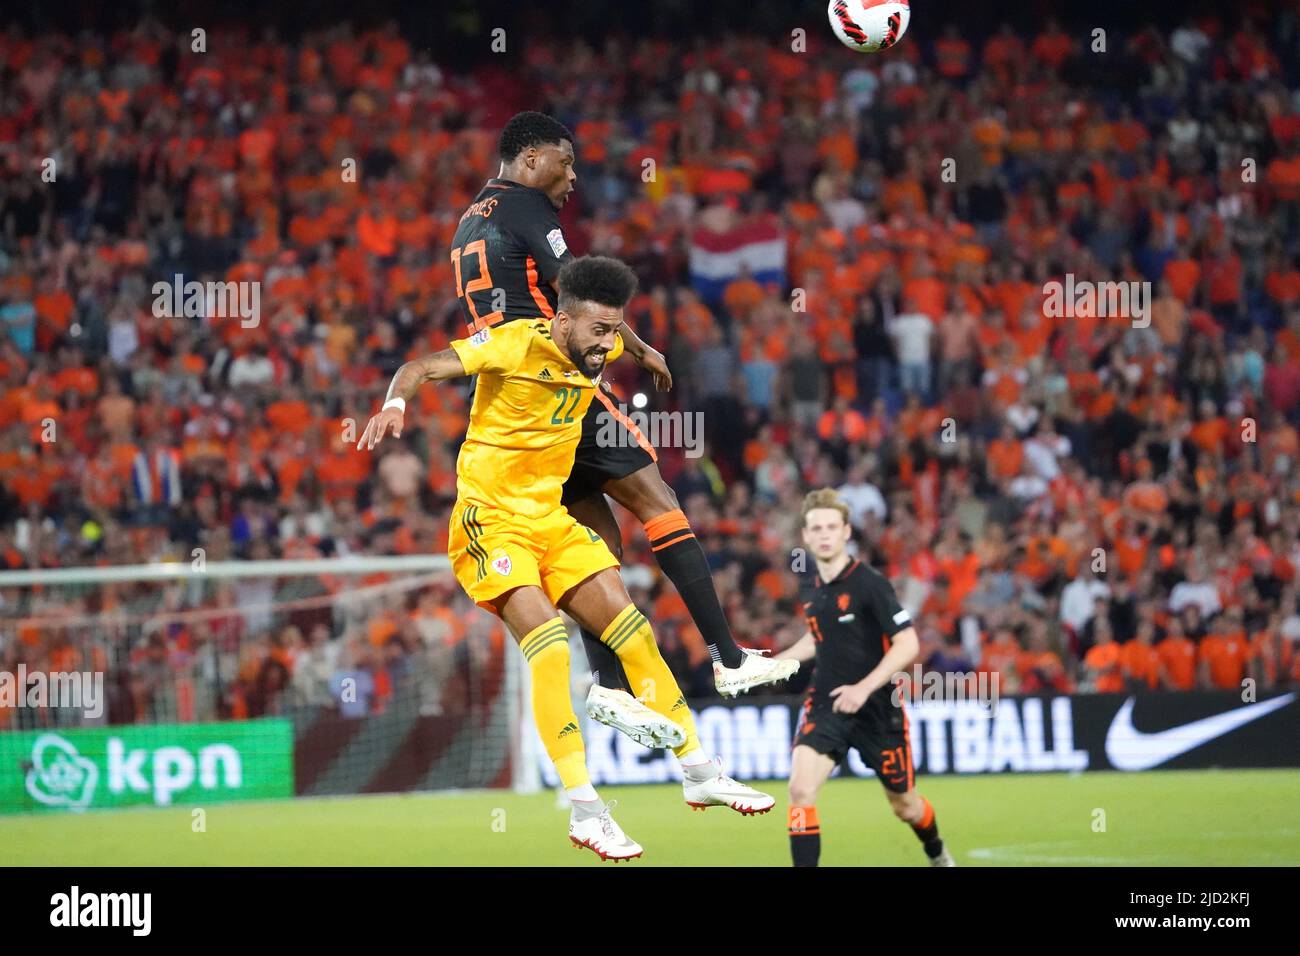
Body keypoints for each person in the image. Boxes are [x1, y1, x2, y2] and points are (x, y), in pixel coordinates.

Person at [357, 256, 774, 861]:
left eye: (616, 332)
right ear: (563, 320)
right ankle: (586, 811)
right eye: (600, 332)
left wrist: (644, 348)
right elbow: (420, 366)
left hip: (551, 521)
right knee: (551, 646)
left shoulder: (593, 350)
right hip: (491, 526)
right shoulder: (511, 344)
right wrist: (396, 402)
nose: (608, 346)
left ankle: (700, 771)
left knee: (636, 637)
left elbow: (618, 336)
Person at [445, 111, 797, 737]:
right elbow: (581, 299)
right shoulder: (527, 208)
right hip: (557, 389)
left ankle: (607, 688)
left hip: (511, 410)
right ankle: (728, 657)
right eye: (565, 160)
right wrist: (637, 348)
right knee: (659, 502)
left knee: (595, 546)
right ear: (529, 160)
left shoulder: (469, 220)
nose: (573, 175)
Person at [775, 488, 955, 867]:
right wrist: (775, 664)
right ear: (805, 537)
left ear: (845, 532)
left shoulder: (869, 583)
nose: (824, 534)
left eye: (831, 527)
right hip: (826, 703)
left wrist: (864, 687)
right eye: (816, 528)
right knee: (801, 791)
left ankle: (936, 851)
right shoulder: (812, 588)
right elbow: (817, 636)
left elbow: (907, 644)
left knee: (905, 806)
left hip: (877, 707)